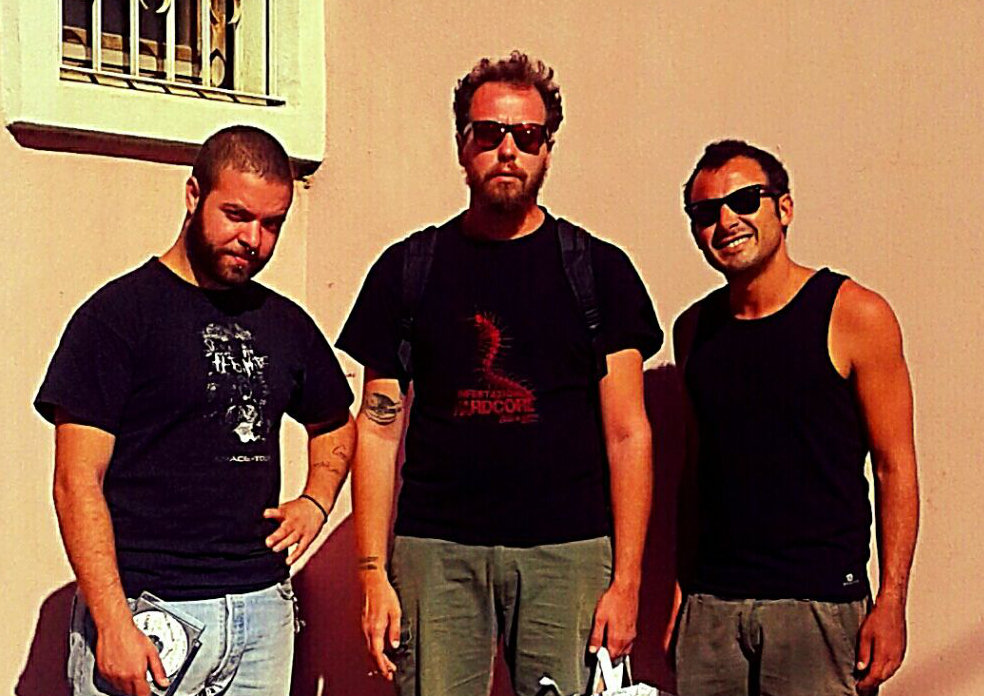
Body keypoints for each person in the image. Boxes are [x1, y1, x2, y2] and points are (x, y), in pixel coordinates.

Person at [336, 51, 662, 696]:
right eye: (488, 133)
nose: (507, 150)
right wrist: (372, 573)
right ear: (463, 145)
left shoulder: (599, 272)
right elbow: (376, 429)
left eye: (527, 136)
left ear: (548, 150)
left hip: (567, 553)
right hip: (436, 552)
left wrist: (627, 584)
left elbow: (629, 434)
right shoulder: (408, 269)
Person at [35, 126, 355, 696]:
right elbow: (75, 480)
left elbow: (333, 423)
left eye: (272, 223)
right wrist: (112, 622)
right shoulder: (118, 316)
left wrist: (316, 501)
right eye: (237, 215)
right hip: (150, 611)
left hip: (262, 611)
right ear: (193, 195)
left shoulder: (285, 324)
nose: (252, 238)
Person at [671, 139, 919, 696]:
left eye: (745, 201)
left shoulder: (854, 314)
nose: (726, 222)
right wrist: (680, 601)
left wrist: (891, 601)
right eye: (706, 213)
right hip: (712, 610)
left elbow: (894, 467)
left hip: (818, 606)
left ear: (783, 208)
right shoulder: (693, 331)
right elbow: (696, 473)